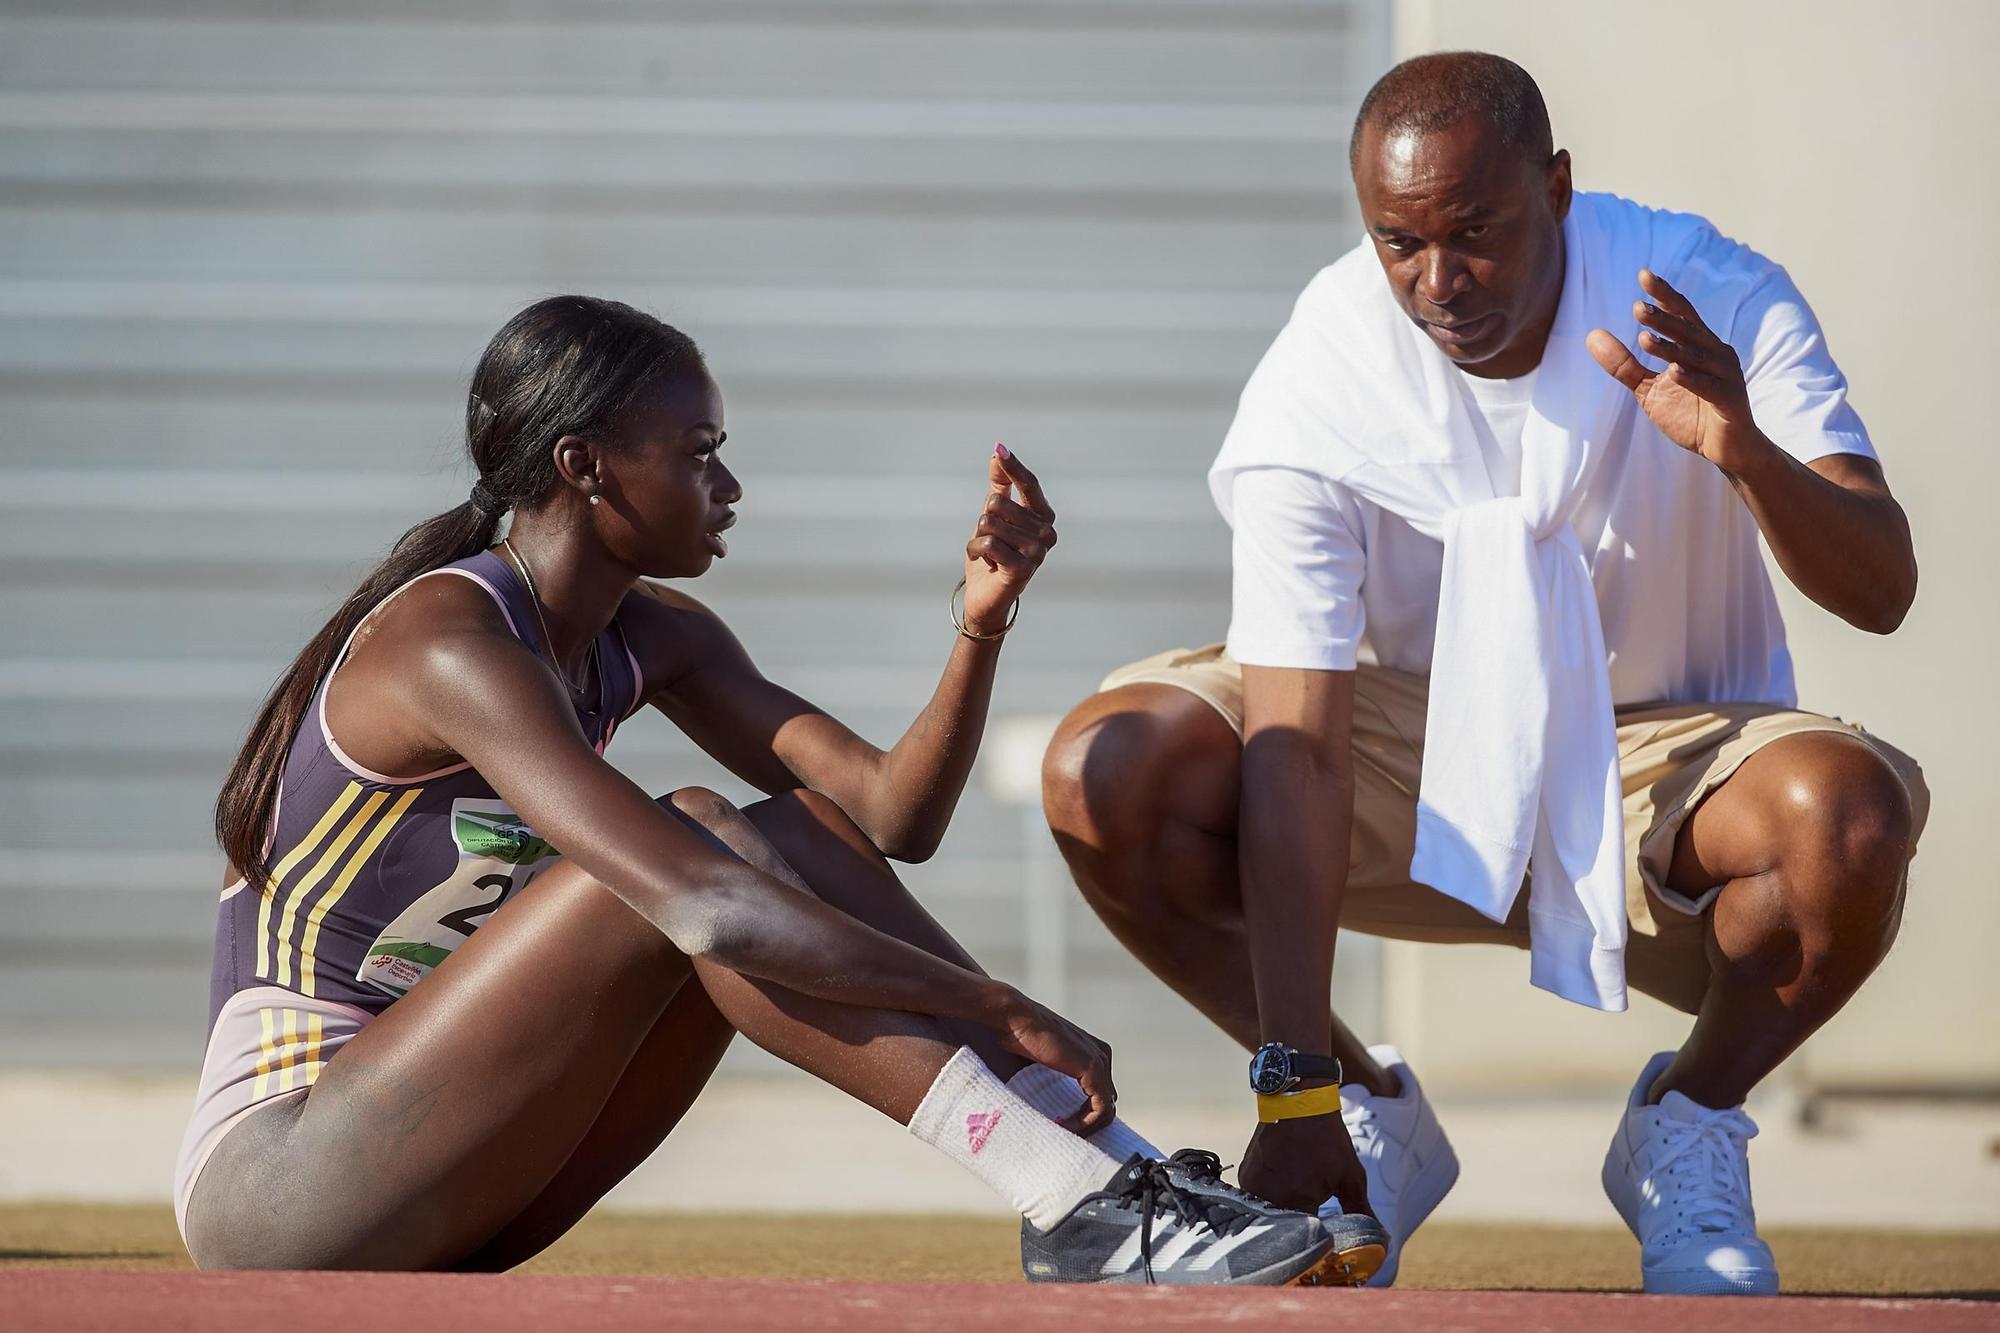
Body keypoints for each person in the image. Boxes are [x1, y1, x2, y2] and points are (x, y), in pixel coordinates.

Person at [173, 294, 1369, 1287]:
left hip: (455, 1160)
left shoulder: (654, 637)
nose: (729, 483)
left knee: (783, 835)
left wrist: (977, 626)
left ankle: (1114, 1177)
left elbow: (888, 820)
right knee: (691, 846)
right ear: (584, 467)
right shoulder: (447, 637)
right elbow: (701, 904)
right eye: (697, 453)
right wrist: (989, 997)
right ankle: (1072, 1194)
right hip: (282, 1181)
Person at [1042, 52, 1928, 1297]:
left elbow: (1879, 587)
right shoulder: (1327, 365)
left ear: (1556, 189)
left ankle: (1686, 1121)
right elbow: (1294, 738)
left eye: (1474, 233)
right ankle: (1361, 1117)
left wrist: (1745, 453)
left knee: (1844, 819)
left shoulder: (1703, 292)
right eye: (1398, 242)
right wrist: (1290, 1082)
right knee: (1108, 770)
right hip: (1396, 755)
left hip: (1659, 758)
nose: (1437, 282)